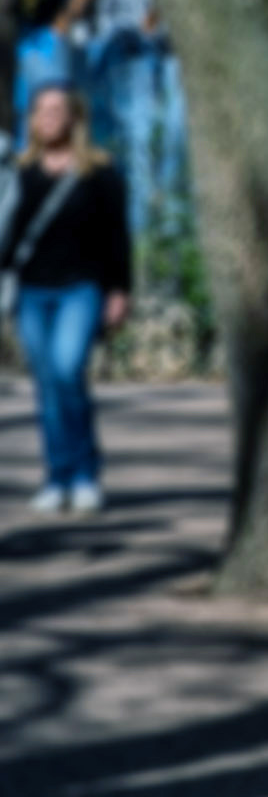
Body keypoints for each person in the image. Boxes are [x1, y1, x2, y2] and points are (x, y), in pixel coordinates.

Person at [5, 81, 135, 514]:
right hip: (31, 292)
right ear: (33, 121)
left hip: (82, 289)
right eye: (42, 110)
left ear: (75, 117)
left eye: (58, 109)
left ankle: (84, 475)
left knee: (66, 369)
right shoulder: (19, 174)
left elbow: (118, 237)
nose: (49, 117)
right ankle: (57, 477)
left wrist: (120, 291)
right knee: (48, 386)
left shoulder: (100, 173)